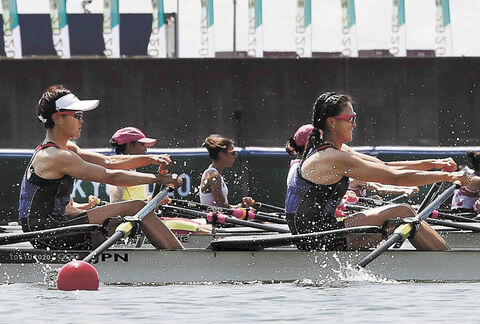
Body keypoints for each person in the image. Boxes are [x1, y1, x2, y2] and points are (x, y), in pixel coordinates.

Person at [285, 92, 470, 251]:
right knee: (402, 212)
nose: (354, 124)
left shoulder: (332, 150)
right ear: (332, 122)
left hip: (322, 230)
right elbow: (394, 178)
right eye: (350, 119)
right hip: (316, 237)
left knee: (401, 213)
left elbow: (384, 166)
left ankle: (444, 257)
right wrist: (448, 176)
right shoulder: (332, 157)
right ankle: (447, 260)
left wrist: (433, 163)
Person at [19, 84, 183, 250]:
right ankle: (179, 259)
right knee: (136, 206)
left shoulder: (68, 149)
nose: (82, 120)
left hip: (56, 225)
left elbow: (108, 162)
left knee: (116, 220)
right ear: (58, 118)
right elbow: (110, 176)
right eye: (77, 115)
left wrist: (152, 159)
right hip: (46, 232)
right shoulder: (56, 156)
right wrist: (160, 179)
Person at [109, 126, 211, 234]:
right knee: (203, 229)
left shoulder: (131, 170)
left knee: (202, 224)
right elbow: (116, 205)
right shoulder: (120, 171)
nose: (145, 148)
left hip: (146, 221)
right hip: (137, 227)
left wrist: (151, 200)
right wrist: (147, 204)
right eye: (142, 144)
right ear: (129, 145)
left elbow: (137, 201)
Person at [200, 134, 253, 208]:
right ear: (222, 154)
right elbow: (222, 207)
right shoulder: (213, 175)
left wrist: (242, 206)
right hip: (213, 219)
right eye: (232, 153)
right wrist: (241, 207)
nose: (235, 156)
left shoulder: (214, 173)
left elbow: (223, 207)